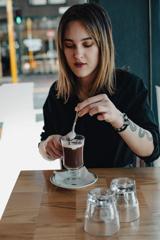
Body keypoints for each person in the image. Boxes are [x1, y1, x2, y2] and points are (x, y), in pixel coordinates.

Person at [39, 3, 160, 168]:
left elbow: (152, 150)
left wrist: (118, 118)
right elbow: (44, 143)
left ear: (103, 45)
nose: (78, 54)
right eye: (69, 45)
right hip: (73, 186)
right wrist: (47, 146)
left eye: (87, 44)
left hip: (118, 186)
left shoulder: (129, 85)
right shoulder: (58, 92)